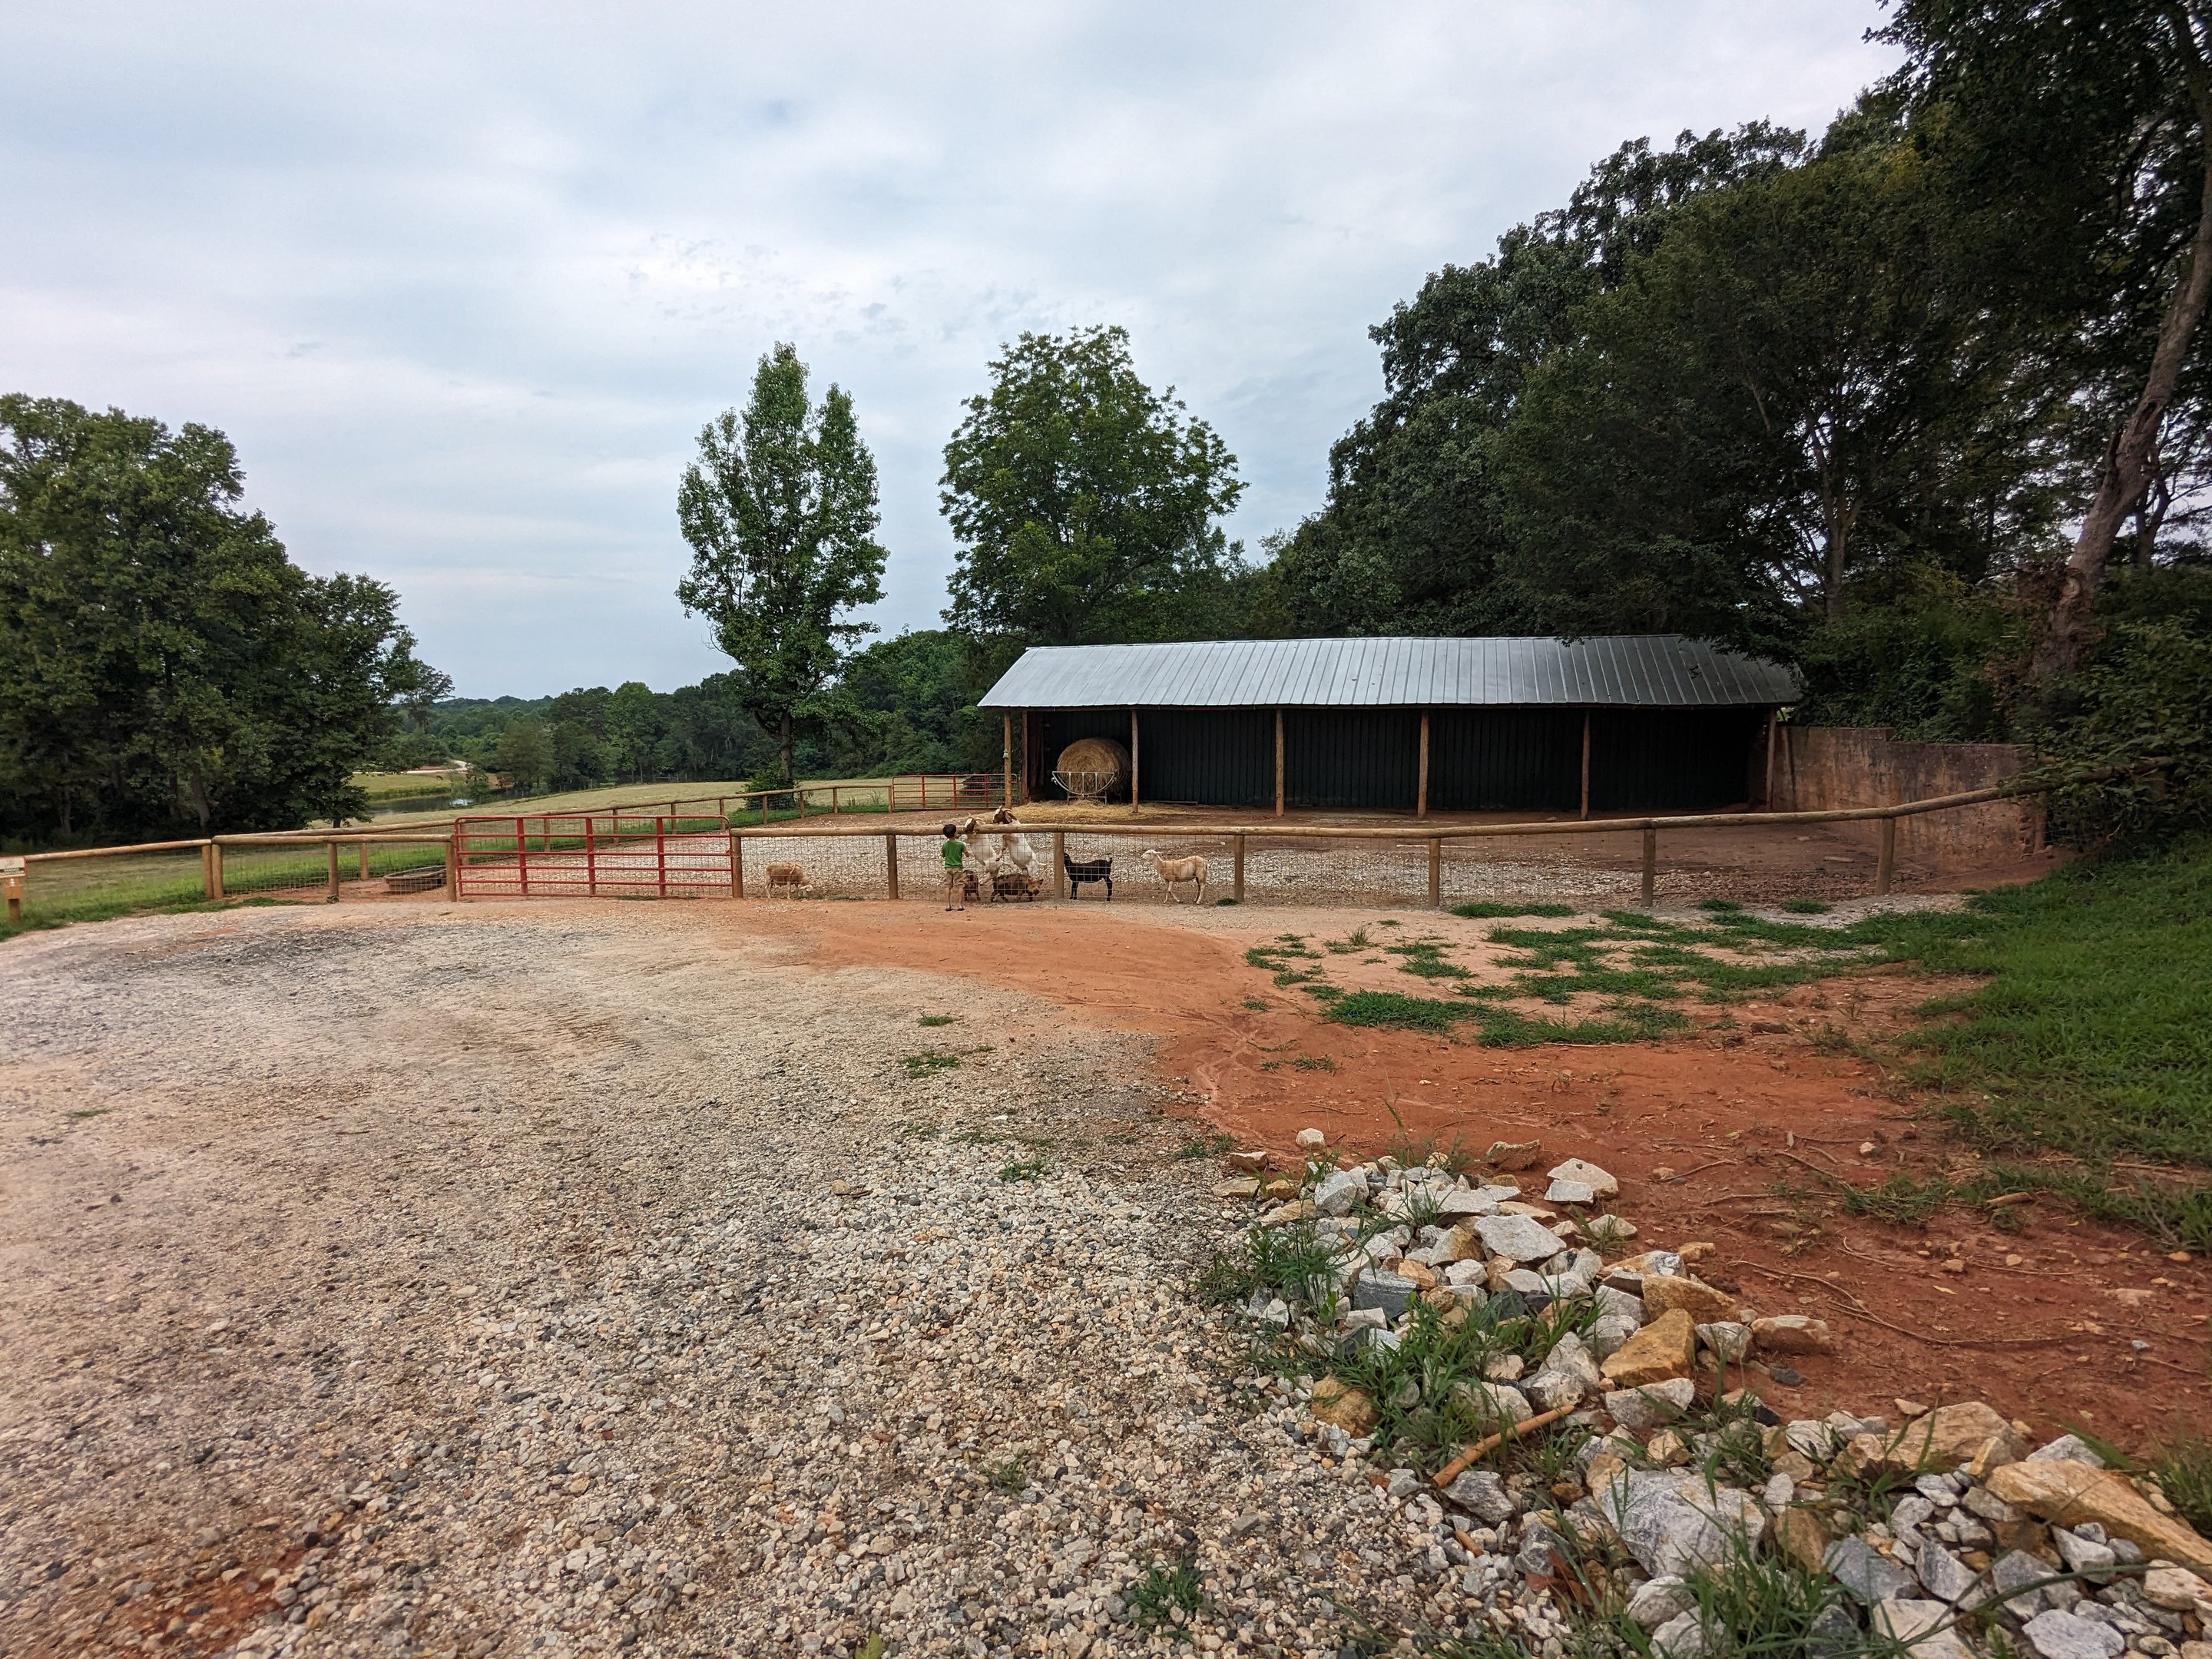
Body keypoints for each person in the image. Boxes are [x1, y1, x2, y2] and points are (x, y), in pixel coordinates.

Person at [940, 822, 969, 911]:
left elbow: (944, 855)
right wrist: (969, 853)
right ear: (956, 833)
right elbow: (967, 854)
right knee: (960, 885)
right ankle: (960, 905)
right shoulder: (961, 844)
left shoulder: (945, 845)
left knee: (947, 885)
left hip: (948, 867)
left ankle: (948, 905)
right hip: (958, 867)